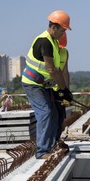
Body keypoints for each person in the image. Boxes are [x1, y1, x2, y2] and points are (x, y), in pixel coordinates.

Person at [21, 10, 73, 159]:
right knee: (45, 112)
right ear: (54, 27)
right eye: (62, 30)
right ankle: (42, 151)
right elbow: (52, 70)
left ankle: (51, 145)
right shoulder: (45, 41)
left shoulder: (53, 42)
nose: (63, 33)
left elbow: (61, 71)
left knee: (55, 113)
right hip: (32, 84)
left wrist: (64, 91)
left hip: (42, 85)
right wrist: (63, 90)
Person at [53, 32, 70, 144]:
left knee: (60, 115)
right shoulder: (50, 51)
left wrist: (67, 92)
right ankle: (50, 142)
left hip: (60, 89)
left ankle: (57, 140)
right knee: (50, 115)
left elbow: (65, 72)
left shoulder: (65, 52)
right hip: (48, 88)